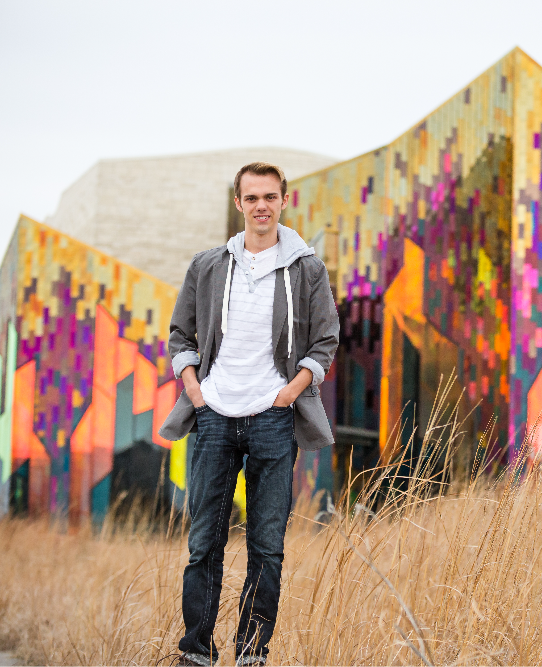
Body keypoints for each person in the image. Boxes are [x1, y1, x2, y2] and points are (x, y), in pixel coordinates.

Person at [159, 162, 339, 666]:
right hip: (214, 415)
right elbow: (181, 334)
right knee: (204, 544)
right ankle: (196, 652)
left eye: (270, 196)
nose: (262, 205)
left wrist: (292, 391)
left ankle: (252, 655)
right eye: (252, 197)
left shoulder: (308, 269)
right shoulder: (209, 265)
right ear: (238, 204)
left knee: (266, 547)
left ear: (285, 201)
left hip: (272, 418)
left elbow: (325, 340)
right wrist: (195, 388)